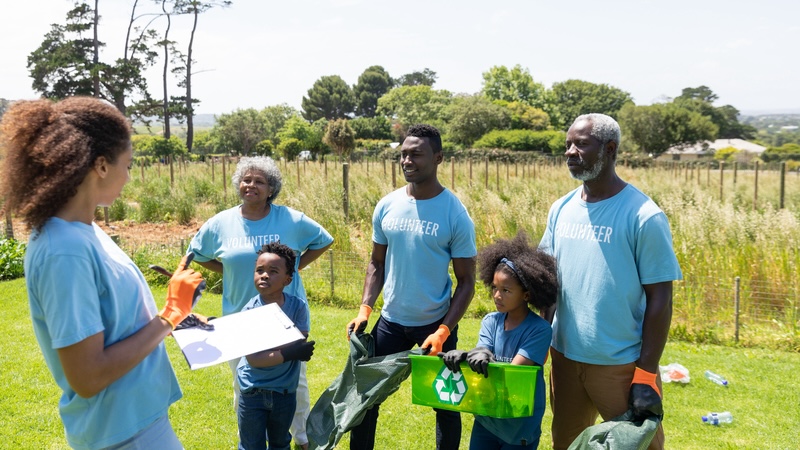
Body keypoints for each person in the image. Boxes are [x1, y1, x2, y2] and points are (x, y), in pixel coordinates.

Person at [0, 97, 204, 449]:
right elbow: (88, 375)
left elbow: (114, 324)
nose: (129, 175)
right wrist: (169, 316)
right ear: (101, 166)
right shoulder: (64, 250)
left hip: (136, 423)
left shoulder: (84, 231)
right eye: (127, 164)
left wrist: (174, 317)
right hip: (123, 435)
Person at [539, 113, 683, 450]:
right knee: (567, 444)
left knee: (640, 446)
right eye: (567, 144)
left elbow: (661, 299)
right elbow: (547, 283)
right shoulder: (560, 209)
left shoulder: (643, 215)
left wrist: (646, 373)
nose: (570, 152)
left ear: (610, 148)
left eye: (581, 144)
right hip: (565, 358)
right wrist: (538, 343)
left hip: (620, 365)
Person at [345, 124, 477, 450]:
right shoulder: (387, 205)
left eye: (416, 154)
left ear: (438, 157)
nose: (407, 160)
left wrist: (444, 331)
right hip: (390, 322)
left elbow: (467, 282)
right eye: (403, 154)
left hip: (435, 326)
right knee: (366, 398)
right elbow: (377, 262)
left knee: (445, 404)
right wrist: (365, 308)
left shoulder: (455, 213)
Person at [187, 156, 333, 450]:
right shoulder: (221, 223)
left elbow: (324, 240)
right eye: (246, 180)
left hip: (284, 313)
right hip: (238, 316)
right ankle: (252, 439)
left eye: (259, 181)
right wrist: (228, 270)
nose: (250, 185)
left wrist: (293, 269)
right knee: (244, 382)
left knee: (295, 382)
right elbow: (197, 254)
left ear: (271, 189)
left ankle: (302, 438)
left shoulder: (291, 219)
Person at [439, 231, 558, 449]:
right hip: (487, 418)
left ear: (526, 295)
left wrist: (467, 355)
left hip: (519, 424)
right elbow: (484, 350)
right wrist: (471, 356)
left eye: (506, 290)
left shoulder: (539, 330)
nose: (497, 295)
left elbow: (511, 374)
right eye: (494, 287)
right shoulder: (490, 321)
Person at [237, 242, 316, 450]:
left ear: (287, 280)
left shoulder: (297, 306)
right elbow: (255, 360)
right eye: (259, 270)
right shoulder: (249, 312)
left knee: (280, 443)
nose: (264, 275)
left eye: (273, 271)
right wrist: (290, 352)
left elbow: (299, 340)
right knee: (251, 446)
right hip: (253, 391)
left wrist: (274, 347)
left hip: (284, 392)